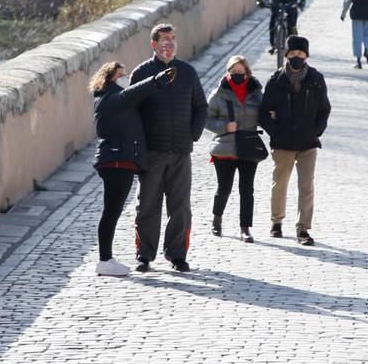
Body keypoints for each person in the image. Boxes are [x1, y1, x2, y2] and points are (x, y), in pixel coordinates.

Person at [130, 24, 208, 272]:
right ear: (153, 45)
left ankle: (177, 255)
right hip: (152, 152)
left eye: (173, 39)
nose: (170, 44)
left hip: (180, 152)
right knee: (148, 206)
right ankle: (144, 254)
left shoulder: (187, 72)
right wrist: (138, 146)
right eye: (165, 40)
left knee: (180, 207)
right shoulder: (142, 73)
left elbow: (201, 107)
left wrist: (192, 135)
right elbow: (131, 113)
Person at [90, 60, 176, 276]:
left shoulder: (107, 98)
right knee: (111, 212)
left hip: (118, 161)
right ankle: (105, 259)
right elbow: (132, 94)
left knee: (111, 211)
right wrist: (157, 80)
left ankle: (106, 258)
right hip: (117, 161)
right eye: (121, 75)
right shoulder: (112, 97)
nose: (125, 78)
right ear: (110, 78)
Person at [259, 36, 331, 246]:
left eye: (300, 54)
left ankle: (303, 229)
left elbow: (324, 109)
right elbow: (264, 112)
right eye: (293, 54)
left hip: (308, 142)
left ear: (306, 56)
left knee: (306, 186)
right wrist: (275, 131)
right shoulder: (276, 80)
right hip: (283, 143)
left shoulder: (316, 79)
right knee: (279, 184)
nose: (296, 58)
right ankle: (277, 221)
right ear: (287, 55)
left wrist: (317, 130)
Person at [205, 55, 265, 243]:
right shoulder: (218, 93)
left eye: (241, 71)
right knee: (224, 188)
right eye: (233, 72)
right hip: (225, 147)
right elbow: (205, 118)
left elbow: (264, 115)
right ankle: (217, 220)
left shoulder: (256, 93)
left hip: (248, 145)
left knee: (247, 189)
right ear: (228, 72)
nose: (237, 75)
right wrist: (223, 127)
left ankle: (245, 228)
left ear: (247, 72)